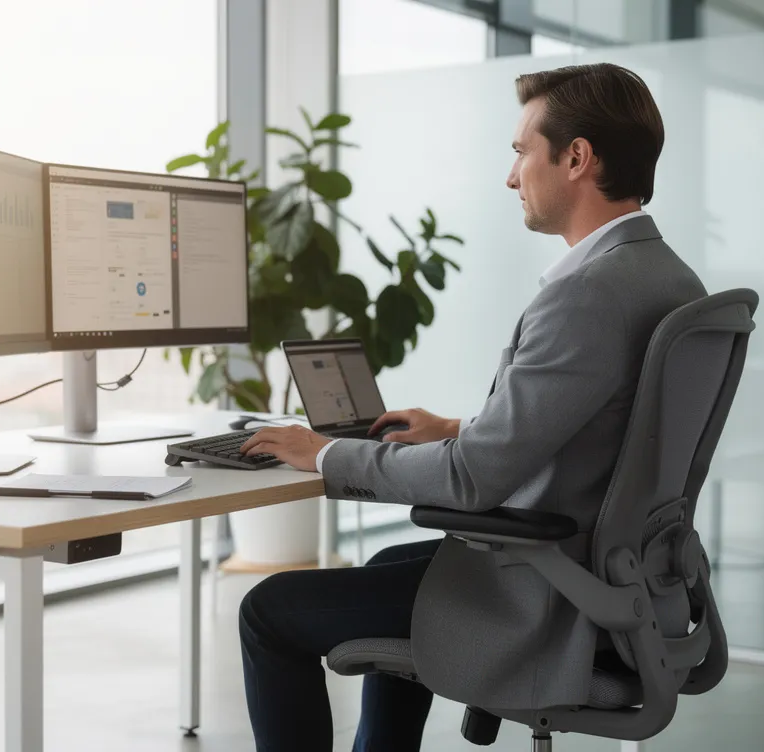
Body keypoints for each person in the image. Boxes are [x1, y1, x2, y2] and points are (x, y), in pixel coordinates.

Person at [236, 63, 707, 752]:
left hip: (551, 600)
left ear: (576, 158)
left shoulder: (589, 295)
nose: (512, 176)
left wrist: (326, 454)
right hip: (619, 575)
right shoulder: (668, 276)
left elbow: (470, 482)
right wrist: (456, 428)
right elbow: (611, 430)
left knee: (267, 613)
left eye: (521, 151)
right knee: (384, 567)